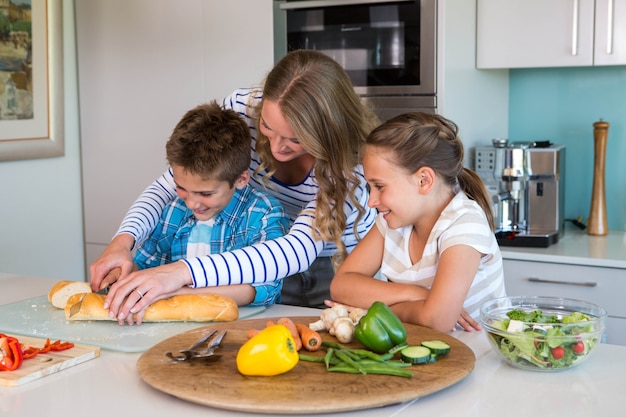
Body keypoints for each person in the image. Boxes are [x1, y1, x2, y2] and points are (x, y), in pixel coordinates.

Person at [90, 50, 381, 322]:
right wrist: (122, 242)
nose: (277, 147)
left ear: (326, 133)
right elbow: (168, 185)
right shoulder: (243, 110)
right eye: (268, 127)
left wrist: (180, 273)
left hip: (339, 267)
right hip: (263, 257)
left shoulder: (350, 163)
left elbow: (296, 251)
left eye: (295, 139)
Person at [329, 112, 506, 333]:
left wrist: (367, 312)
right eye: (369, 187)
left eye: (380, 186)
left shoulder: (464, 223)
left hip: (481, 357)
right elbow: (341, 285)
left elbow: (436, 321)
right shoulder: (392, 222)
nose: (372, 201)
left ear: (424, 181)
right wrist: (416, 295)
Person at [122, 101, 290, 324]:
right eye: (181, 188)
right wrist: (123, 276)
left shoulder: (263, 214)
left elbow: (265, 288)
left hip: (243, 326)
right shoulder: (174, 209)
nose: (191, 203)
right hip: (174, 328)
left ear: (240, 180)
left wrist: (176, 294)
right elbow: (147, 263)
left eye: (206, 193)